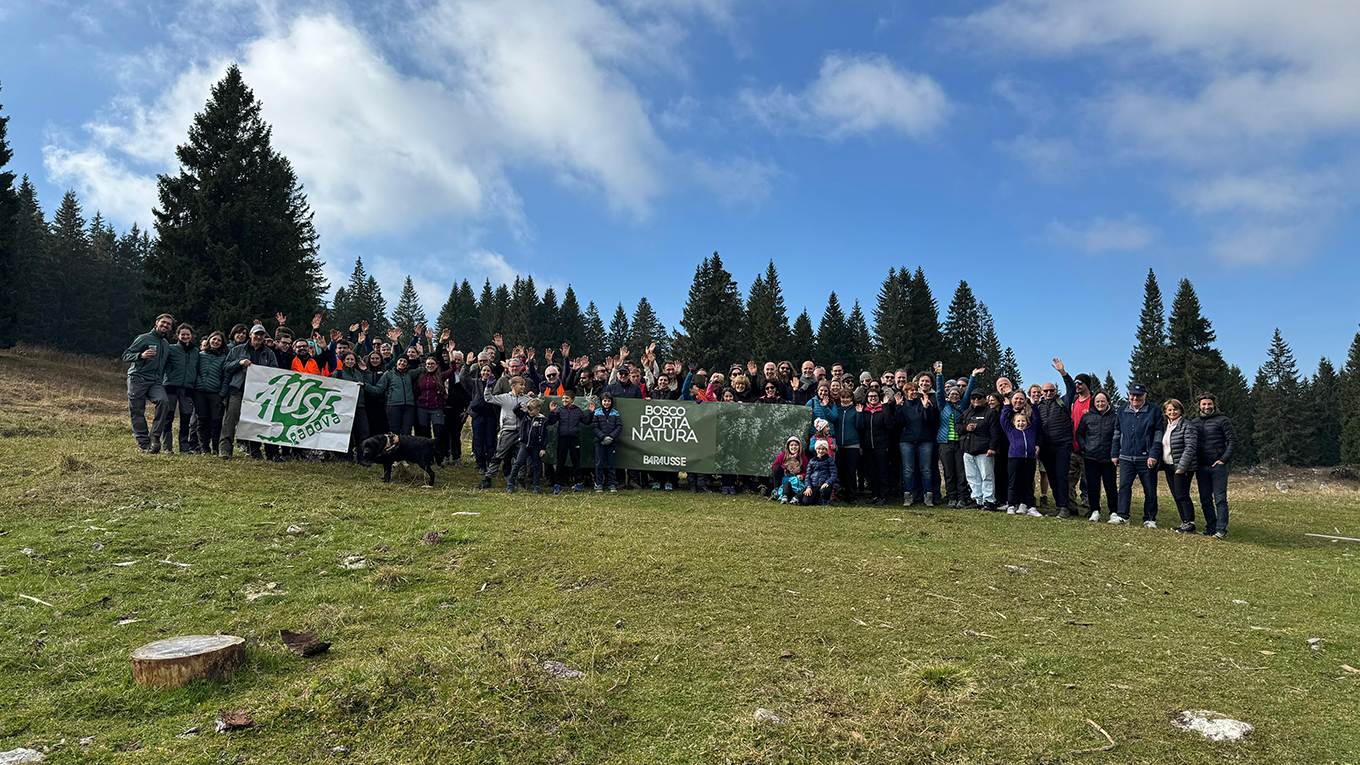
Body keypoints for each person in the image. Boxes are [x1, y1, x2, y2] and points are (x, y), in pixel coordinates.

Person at [219, 324, 278, 460]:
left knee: (255, 422)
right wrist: (239, 363)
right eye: (256, 334)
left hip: (258, 393)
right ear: (250, 335)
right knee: (231, 418)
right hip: (238, 389)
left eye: (261, 335)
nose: (258, 337)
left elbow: (274, 372)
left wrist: (259, 371)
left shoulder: (269, 353)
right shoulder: (237, 350)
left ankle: (254, 450)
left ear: (264, 337)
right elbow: (226, 367)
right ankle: (225, 449)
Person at [1111, 383, 1164, 528]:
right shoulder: (1122, 410)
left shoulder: (1154, 410)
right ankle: (1123, 516)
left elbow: (1159, 434)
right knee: (1124, 487)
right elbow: (1117, 432)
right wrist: (1115, 453)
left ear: (1145, 396)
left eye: (1139, 395)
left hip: (1146, 458)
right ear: (1129, 395)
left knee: (1149, 489)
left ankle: (1150, 518)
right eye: (1132, 395)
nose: (1135, 398)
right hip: (1126, 457)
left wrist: (1153, 454)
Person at [123, 314, 175, 453]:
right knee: (137, 411)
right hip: (137, 378)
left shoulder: (165, 344)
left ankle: (155, 436)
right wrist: (140, 356)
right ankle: (144, 444)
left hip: (155, 382)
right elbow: (126, 355)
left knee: (164, 402)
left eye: (168, 324)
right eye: (163, 323)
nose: (165, 326)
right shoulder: (143, 338)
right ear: (156, 323)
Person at [935, 364, 980, 508]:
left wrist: (973, 376)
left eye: (957, 393)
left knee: (961, 472)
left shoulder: (963, 405)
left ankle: (962, 497)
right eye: (952, 393)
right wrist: (939, 374)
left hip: (960, 443)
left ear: (960, 396)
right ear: (948, 396)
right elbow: (939, 392)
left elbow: (969, 392)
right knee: (949, 472)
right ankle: (951, 497)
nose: (954, 395)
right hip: (945, 443)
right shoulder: (943, 406)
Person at [1037, 359, 1079, 518]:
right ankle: (1059, 506)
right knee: (1052, 478)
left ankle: (1064, 508)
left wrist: (1063, 373)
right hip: (1046, 448)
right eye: (1045, 391)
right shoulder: (1038, 407)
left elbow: (1072, 389)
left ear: (1055, 391)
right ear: (1041, 392)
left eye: (1051, 391)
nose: (1048, 393)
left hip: (1062, 445)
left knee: (1062, 476)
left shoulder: (1063, 402)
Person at [1194, 394, 1237, 540]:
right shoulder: (1195, 423)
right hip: (1201, 467)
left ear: (1214, 405)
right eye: (1204, 404)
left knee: (1220, 499)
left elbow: (1233, 441)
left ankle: (1221, 530)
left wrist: (1223, 460)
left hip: (1218, 467)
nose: (1207, 407)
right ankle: (1210, 528)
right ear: (1199, 406)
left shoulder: (1223, 420)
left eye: (1209, 404)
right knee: (1205, 499)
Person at [480, 375, 534, 489]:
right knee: (499, 455)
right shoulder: (504, 398)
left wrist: (540, 394)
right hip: (508, 431)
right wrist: (488, 387)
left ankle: (520, 480)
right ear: (513, 386)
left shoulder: (526, 399)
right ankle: (488, 479)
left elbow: (537, 404)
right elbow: (488, 398)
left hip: (521, 431)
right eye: (521, 385)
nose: (524, 387)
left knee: (521, 457)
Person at [1075, 392, 1118, 521]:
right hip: (1091, 457)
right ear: (1094, 403)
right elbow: (1079, 434)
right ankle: (1095, 511)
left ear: (1108, 402)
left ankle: (1113, 512)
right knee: (1093, 486)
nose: (1100, 404)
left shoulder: (1115, 417)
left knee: (1110, 486)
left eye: (1102, 401)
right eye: (1097, 401)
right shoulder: (1087, 417)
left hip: (1108, 458)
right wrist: (1084, 446)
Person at [1000, 392, 1043, 516]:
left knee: (1028, 483)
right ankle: (1011, 505)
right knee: (1013, 482)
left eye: (1023, 421)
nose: (1021, 423)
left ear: (1027, 422)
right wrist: (1007, 407)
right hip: (1014, 458)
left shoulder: (1031, 430)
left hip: (1029, 458)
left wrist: (1034, 406)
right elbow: (1003, 420)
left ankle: (1031, 507)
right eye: (1018, 421)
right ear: (1014, 423)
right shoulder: (1011, 431)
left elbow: (1037, 419)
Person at [1160, 399, 1199, 534]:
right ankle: (1184, 522)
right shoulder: (1166, 426)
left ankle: (1190, 523)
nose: (1172, 412)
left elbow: (1190, 447)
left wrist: (1182, 466)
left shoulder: (1187, 426)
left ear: (1181, 410)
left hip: (1183, 467)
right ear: (1165, 412)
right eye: (1169, 410)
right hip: (1169, 465)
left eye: (1175, 409)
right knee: (1176, 495)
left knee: (1182, 495)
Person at [894, 382, 936, 507]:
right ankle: (908, 495)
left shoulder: (923, 402)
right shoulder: (903, 404)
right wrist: (898, 407)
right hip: (907, 440)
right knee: (908, 470)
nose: (914, 392)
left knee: (926, 470)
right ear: (906, 392)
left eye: (915, 389)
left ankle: (928, 496)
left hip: (925, 440)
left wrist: (926, 407)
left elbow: (930, 420)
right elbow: (898, 422)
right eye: (911, 390)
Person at [160, 323, 199, 454]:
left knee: (186, 418)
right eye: (183, 334)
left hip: (187, 389)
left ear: (192, 336)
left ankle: (184, 448)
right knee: (168, 417)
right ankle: (167, 447)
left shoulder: (196, 352)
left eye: (188, 334)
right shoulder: (171, 349)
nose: (185, 336)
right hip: (170, 386)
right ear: (178, 335)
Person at [960, 390, 1001, 510]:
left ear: (985, 399)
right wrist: (966, 428)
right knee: (972, 477)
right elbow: (958, 426)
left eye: (979, 397)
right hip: (968, 450)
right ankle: (977, 499)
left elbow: (995, 433)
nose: (976, 400)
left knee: (987, 476)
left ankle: (989, 500)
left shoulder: (990, 413)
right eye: (973, 398)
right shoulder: (967, 413)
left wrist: (992, 448)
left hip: (984, 451)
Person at [331, 351, 375, 464]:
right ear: (344, 361)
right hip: (344, 407)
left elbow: (367, 383)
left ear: (355, 361)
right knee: (347, 432)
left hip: (359, 405)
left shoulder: (359, 374)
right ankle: (347, 456)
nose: (350, 362)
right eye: (348, 359)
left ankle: (362, 457)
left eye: (352, 359)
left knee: (364, 431)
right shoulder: (338, 373)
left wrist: (366, 371)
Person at [192, 331, 228, 457]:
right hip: (199, 393)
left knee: (216, 422)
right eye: (214, 339)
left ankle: (216, 448)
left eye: (219, 340)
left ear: (222, 343)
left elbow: (226, 377)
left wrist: (222, 394)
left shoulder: (224, 358)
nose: (216, 342)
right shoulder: (200, 355)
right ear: (209, 340)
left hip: (215, 393)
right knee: (202, 421)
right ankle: (204, 448)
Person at [547, 392, 590, 493]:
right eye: (563, 399)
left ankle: (578, 483)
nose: (564, 401)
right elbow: (551, 422)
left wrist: (591, 412)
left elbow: (587, 422)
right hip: (562, 438)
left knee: (576, 461)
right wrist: (552, 412)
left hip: (574, 438)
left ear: (572, 400)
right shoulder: (560, 410)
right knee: (560, 461)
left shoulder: (577, 411)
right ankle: (558, 484)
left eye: (567, 398)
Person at [860, 387, 896, 505]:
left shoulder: (884, 409)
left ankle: (884, 496)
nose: (873, 398)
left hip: (882, 445)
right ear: (867, 398)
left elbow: (890, 424)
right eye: (870, 396)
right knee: (872, 472)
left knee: (883, 471)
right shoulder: (864, 411)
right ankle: (875, 494)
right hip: (868, 446)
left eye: (875, 396)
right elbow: (860, 428)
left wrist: (885, 407)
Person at [508, 399, 549, 493]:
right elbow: (515, 410)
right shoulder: (526, 416)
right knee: (518, 464)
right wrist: (520, 405)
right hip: (524, 445)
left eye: (531, 410)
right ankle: (511, 484)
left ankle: (536, 486)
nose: (529, 412)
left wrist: (543, 448)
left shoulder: (543, 421)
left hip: (536, 447)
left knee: (537, 466)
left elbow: (545, 436)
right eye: (529, 410)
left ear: (538, 410)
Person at [831, 388, 862, 504]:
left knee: (851, 471)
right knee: (841, 471)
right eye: (843, 397)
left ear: (851, 398)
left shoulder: (855, 410)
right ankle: (843, 493)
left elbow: (859, 426)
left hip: (852, 445)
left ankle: (852, 496)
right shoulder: (837, 410)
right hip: (839, 445)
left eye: (847, 397)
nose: (845, 400)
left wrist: (859, 414)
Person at [374, 356, 418, 437]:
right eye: (400, 360)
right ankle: (394, 449)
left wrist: (419, 356)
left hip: (409, 407)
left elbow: (423, 368)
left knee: (407, 432)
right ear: (396, 362)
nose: (402, 363)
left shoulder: (410, 374)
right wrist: (365, 385)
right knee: (394, 432)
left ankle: (405, 449)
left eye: (405, 361)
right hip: (394, 406)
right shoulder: (389, 374)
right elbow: (379, 389)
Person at [592, 392, 622, 493]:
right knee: (599, 463)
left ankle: (611, 484)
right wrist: (603, 437)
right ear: (601, 402)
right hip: (600, 442)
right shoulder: (597, 413)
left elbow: (619, 427)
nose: (606, 403)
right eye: (604, 401)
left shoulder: (615, 413)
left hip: (612, 442)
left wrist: (611, 437)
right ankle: (599, 484)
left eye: (609, 401)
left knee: (611, 464)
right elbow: (595, 427)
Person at [770, 436, 808, 500]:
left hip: (797, 477)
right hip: (785, 477)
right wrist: (785, 469)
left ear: (799, 447)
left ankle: (796, 494)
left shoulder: (803, 458)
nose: (794, 447)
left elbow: (808, 471)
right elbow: (774, 467)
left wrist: (802, 476)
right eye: (791, 445)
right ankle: (776, 490)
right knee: (777, 468)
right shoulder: (783, 455)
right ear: (788, 447)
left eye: (796, 445)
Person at [802, 440, 838, 505]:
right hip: (814, 485)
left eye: (823, 449)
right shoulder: (812, 461)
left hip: (824, 484)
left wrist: (828, 482)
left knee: (825, 490)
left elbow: (834, 475)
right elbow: (808, 475)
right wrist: (808, 486)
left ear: (826, 449)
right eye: (819, 449)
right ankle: (817, 500)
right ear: (816, 449)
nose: (821, 451)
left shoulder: (830, 460)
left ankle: (825, 501)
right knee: (806, 502)